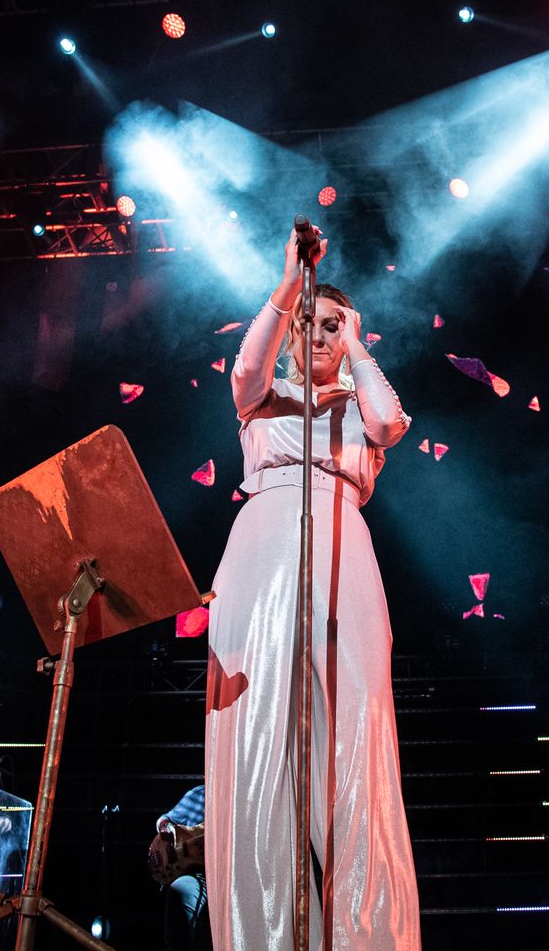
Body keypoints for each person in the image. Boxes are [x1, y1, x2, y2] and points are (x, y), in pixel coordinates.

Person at [204, 229, 422, 950]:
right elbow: (244, 370)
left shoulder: (361, 412)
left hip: (342, 548)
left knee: (354, 731)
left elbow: (391, 421)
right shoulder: (263, 396)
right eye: (311, 323)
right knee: (257, 738)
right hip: (260, 553)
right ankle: (259, 935)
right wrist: (291, 282)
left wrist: (355, 344)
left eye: (334, 323)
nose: (320, 333)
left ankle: (368, 936)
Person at [149, 784, 209, 951]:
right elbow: (165, 820)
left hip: (224, 876)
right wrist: (166, 828)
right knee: (179, 890)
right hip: (196, 873)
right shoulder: (199, 795)